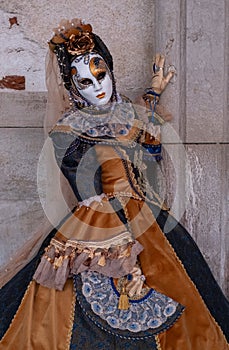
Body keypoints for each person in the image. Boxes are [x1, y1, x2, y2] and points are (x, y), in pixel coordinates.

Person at [0, 18, 228, 350]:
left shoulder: (128, 114)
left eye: (101, 74)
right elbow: (74, 169)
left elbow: (150, 155)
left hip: (146, 213)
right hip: (97, 215)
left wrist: (152, 95)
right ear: (74, 89)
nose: (97, 87)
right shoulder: (69, 129)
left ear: (110, 70)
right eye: (86, 82)